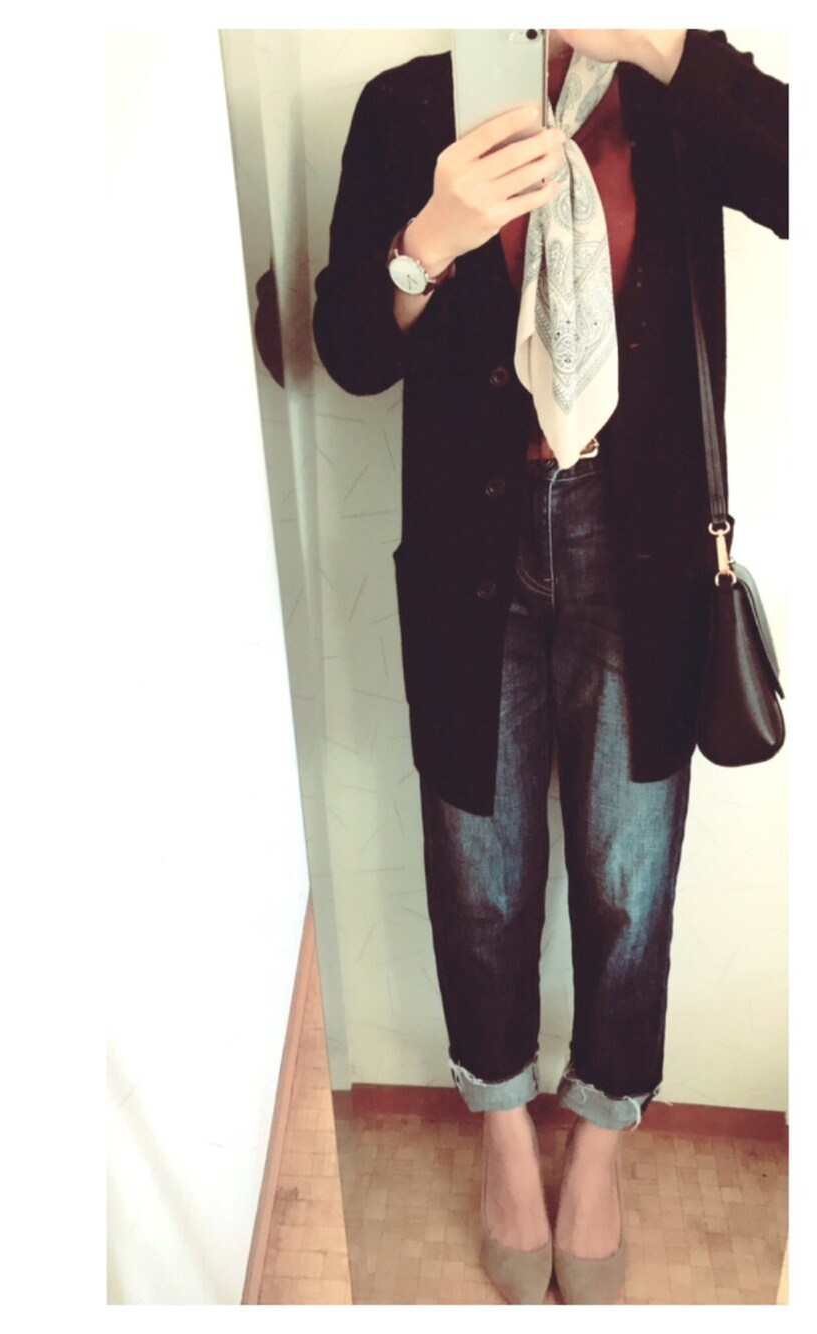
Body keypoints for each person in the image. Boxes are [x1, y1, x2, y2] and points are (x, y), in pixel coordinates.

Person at [312, 29, 787, 1305]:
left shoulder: (676, 102)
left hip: (643, 545)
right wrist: (431, 236)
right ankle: (506, 1130)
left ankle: (603, 1138)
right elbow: (348, 348)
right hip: (470, 547)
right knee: (480, 867)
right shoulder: (409, 104)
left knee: (628, 872)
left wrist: (665, 45)